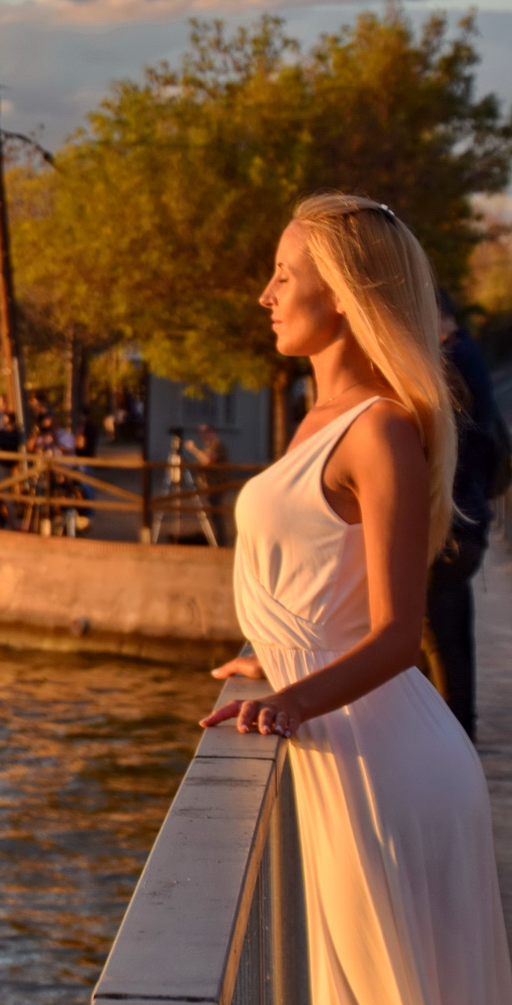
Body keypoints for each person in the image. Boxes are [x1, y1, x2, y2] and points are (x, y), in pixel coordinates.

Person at [201, 194, 512, 1002]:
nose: (264, 294)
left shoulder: (378, 431)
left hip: (384, 764)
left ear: (340, 290)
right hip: (341, 737)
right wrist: (271, 653)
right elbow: (318, 580)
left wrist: (288, 696)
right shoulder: (315, 420)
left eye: (281, 274)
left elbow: (397, 632)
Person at [429, 288, 505, 740]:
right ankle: (460, 733)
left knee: (435, 636)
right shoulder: (469, 355)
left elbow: (461, 446)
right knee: (453, 633)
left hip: (453, 523)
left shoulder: (452, 361)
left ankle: (448, 738)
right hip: (470, 519)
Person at [184, 422, 231, 545]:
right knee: (214, 514)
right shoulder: (209, 446)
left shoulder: (217, 445)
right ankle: (217, 541)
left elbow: (208, 460)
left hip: (218, 484)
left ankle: (221, 543)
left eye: (204, 433)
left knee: (216, 514)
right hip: (211, 484)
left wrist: (193, 449)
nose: (202, 435)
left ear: (211, 433)